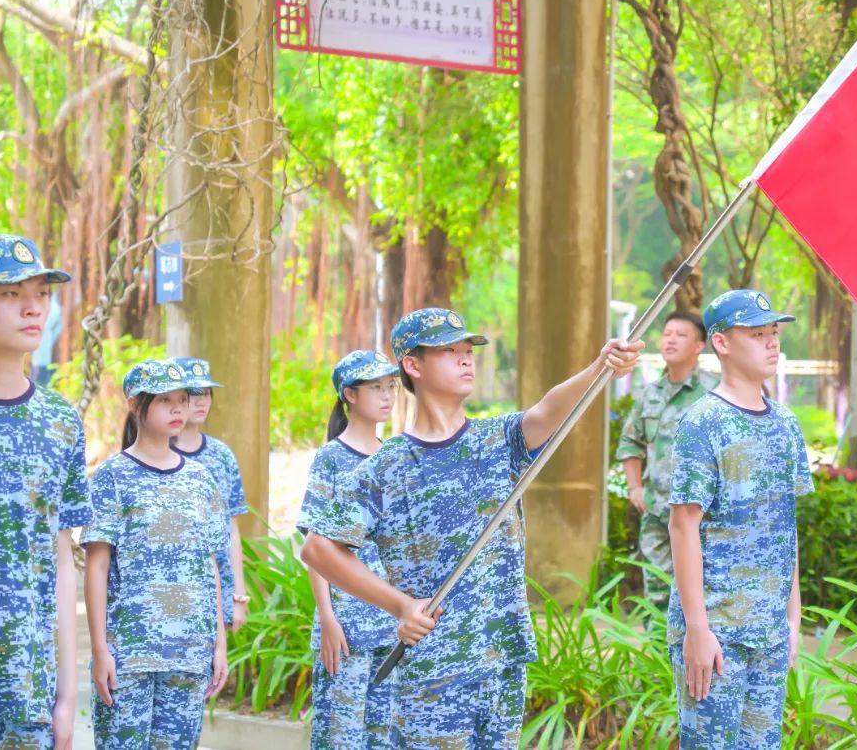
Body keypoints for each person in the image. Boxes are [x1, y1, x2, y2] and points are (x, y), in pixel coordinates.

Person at [301, 308, 642, 748]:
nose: (466, 359)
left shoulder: (497, 440)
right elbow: (318, 549)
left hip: (502, 660)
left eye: (468, 350)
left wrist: (599, 368)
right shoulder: (389, 465)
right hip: (435, 671)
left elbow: (546, 411)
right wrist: (400, 605)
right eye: (450, 351)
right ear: (413, 364)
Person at [667, 289, 813, 749]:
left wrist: (793, 618)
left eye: (773, 333)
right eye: (757, 334)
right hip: (718, 635)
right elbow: (682, 525)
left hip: (769, 631)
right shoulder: (702, 423)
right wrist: (697, 629)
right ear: (722, 343)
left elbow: (784, 527)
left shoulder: (786, 423)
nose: (772, 343)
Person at [82, 359, 229, 750]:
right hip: (128, 653)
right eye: (165, 401)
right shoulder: (112, 476)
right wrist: (100, 650)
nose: (178, 409)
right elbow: (96, 567)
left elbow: (209, 563)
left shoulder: (200, 478)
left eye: (183, 399)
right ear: (135, 405)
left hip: (188, 652)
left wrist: (218, 644)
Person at [0, 234, 88, 750]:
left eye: (42, 293)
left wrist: (66, 699)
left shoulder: (60, 422)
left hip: (27, 684)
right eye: (10, 293)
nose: (33, 308)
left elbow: (61, 561)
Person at [297, 350, 401, 749]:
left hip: (391, 625)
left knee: (384, 739)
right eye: (376, 387)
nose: (387, 395)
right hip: (345, 627)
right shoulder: (331, 459)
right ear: (350, 395)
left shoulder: (394, 456)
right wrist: (327, 617)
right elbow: (314, 546)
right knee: (339, 738)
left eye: (390, 386)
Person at [617, 311, 717, 609]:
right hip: (657, 512)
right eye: (667, 333)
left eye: (681, 335)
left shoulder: (714, 393)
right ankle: (658, 653)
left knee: (701, 595)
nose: (671, 339)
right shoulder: (650, 394)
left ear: (699, 346)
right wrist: (635, 488)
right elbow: (629, 442)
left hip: (701, 516)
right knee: (658, 594)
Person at [172, 357, 250, 632]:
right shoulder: (159, 454)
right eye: (193, 394)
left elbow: (232, 528)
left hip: (214, 589)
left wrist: (238, 594)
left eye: (206, 394)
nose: (202, 401)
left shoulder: (221, 456)